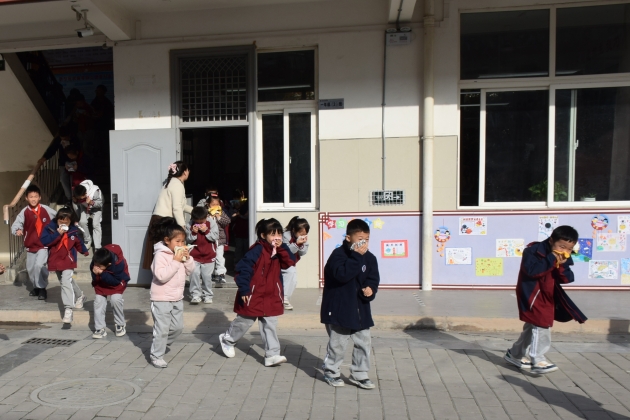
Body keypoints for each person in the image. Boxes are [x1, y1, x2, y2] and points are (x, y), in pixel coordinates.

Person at [504, 225, 587, 375]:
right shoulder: (532, 251)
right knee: (542, 323)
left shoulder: (564, 256)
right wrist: (551, 259)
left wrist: (561, 266)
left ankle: (515, 354)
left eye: (569, 249)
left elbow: (567, 278)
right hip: (532, 293)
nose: (565, 250)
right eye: (562, 246)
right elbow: (532, 271)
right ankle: (538, 359)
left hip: (549, 293)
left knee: (533, 326)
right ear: (551, 240)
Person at [219, 218, 296, 367]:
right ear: (263, 235)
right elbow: (243, 269)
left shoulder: (281, 250)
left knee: (270, 324)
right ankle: (227, 339)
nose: (277, 238)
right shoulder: (257, 250)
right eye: (273, 234)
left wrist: (282, 249)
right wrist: (245, 289)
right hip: (253, 294)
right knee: (244, 321)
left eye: (279, 234)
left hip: (271, 295)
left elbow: (289, 262)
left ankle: (272, 355)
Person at [321, 219, 380, 389]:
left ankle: (359, 374)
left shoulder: (370, 258)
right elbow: (342, 275)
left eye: (366, 239)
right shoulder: (338, 255)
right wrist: (356, 256)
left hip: (360, 309)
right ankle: (331, 371)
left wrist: (371, 289)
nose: (363, 243)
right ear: (348, 238)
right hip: (339, 309)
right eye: (360, 239)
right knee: (338, 344)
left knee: (364, 342)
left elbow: (373, 278)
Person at [149, 217, 194, 368]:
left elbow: (190, 271)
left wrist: (188, 259)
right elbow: (161, 276)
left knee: (177, 327)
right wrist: (176, 261)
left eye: (183, 241)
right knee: (162, 329)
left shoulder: (180, 254)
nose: (181, 245)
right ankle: (157, 355)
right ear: (167, 240)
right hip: (161, 298)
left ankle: (161, 343)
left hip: (177, 297)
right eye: (177, 241)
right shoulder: (160, 255)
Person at [40, 207, 89, 324]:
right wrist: (57, 234)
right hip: (55, 260)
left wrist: (84, 251)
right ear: (57, 220)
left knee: (66, 281)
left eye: (66, 222)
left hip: (68, 260)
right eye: (60, 221)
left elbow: (78, 242)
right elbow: (45, 241)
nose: (63, 224)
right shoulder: (50, 229)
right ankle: (80, 296)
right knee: (65, 281)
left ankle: (68, 309)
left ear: (70, 222)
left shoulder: (73, 231)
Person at [143, 161, 193, 270]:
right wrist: (182, 226)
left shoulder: (172, 182)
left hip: (159, 220)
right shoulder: (177, 184)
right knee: (164, 255)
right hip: (164, 222)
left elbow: (181, 205)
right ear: (185, 172)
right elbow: (177, 207)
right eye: (188, 170)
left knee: (160, 256)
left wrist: (195, 212)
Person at [11, 184, 57, 300]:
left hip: (43, 244)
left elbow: (59, 217)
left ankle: (42, 288)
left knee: (39, 265)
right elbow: (16, 224)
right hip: (30, 244)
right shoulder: (24, 212)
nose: (33, 199)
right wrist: (17, 230)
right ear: (26, 198)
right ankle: (36, 287)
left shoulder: (46, 209)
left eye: (35, 196)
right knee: (31, 268)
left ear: (39, 197)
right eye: (31, 197)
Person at [91, 245, 130, 339]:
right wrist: (96, 274)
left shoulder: (119, 264)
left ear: (108, 264)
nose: (96, 267)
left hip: (117, 283)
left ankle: (120, 324)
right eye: (95, 264)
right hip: (101, 283)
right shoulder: (96, 261)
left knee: (115, 299)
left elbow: (115, 281)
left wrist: (102, 273)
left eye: (99, 266)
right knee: (98, 301)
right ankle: (100, 328)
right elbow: (95, 279)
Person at [186, 206, 219, 304]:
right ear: (193, 219)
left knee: (206, 276)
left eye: (202, 222)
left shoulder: (211, 223)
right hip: (194, 255)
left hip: (209, 255)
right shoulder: (189, 224)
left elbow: (215, 237)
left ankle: (208, 295)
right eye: (197, 222)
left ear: (206, 216)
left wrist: (206, 231)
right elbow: (187, 240)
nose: (200, 224)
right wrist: (193, 233)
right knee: (194, 275)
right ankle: (195, 295)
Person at [197, 189, 230, 284]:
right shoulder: (205, 213)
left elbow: (227, 221)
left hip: (219, 239)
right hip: (209, 239)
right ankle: (210, 273)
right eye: (213, 205)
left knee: (219, 257)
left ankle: (221, 273)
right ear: (208, 205)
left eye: (217, 204)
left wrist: (218, 217)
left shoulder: (221, 213)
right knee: (210, 256)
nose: (215, 206)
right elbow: (200, 222)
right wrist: (209, 218)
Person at [37, 126, 74, 202]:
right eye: (62, 138)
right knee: (63, 179)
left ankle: (74, 196)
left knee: (73, 180)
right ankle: (69, 198)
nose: (64, 140)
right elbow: (52, 149)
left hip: (74, 161)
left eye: (65, 138)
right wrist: (45, 158)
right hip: (63, 163)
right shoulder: (58, 140)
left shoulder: (74, 139)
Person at [281, 216, 310, 310]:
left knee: (294, 281)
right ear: (294, 230)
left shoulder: (304, 239)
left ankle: (285, 300)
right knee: (290, 272)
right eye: (300, 233)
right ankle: (283, 297)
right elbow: (287, 251)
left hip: (291, 262)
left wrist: (301, 244)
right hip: (281, 261)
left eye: (305, 234)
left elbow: (303, 253)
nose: (303, 236)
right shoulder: (285, 236)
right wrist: (296, 244)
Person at [72, 180, 103, 251]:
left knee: (95, 224)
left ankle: (97, 246)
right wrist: (75, 201)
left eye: (82, 198)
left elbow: (100, 204)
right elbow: (77, 204)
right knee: (82, 222)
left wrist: (91, 202)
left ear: (86, 193)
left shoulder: (95, 191)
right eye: (79, 198)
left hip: (97, 208)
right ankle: (87, 240)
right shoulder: (76, 192)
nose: (80, 199)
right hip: (85, 207)